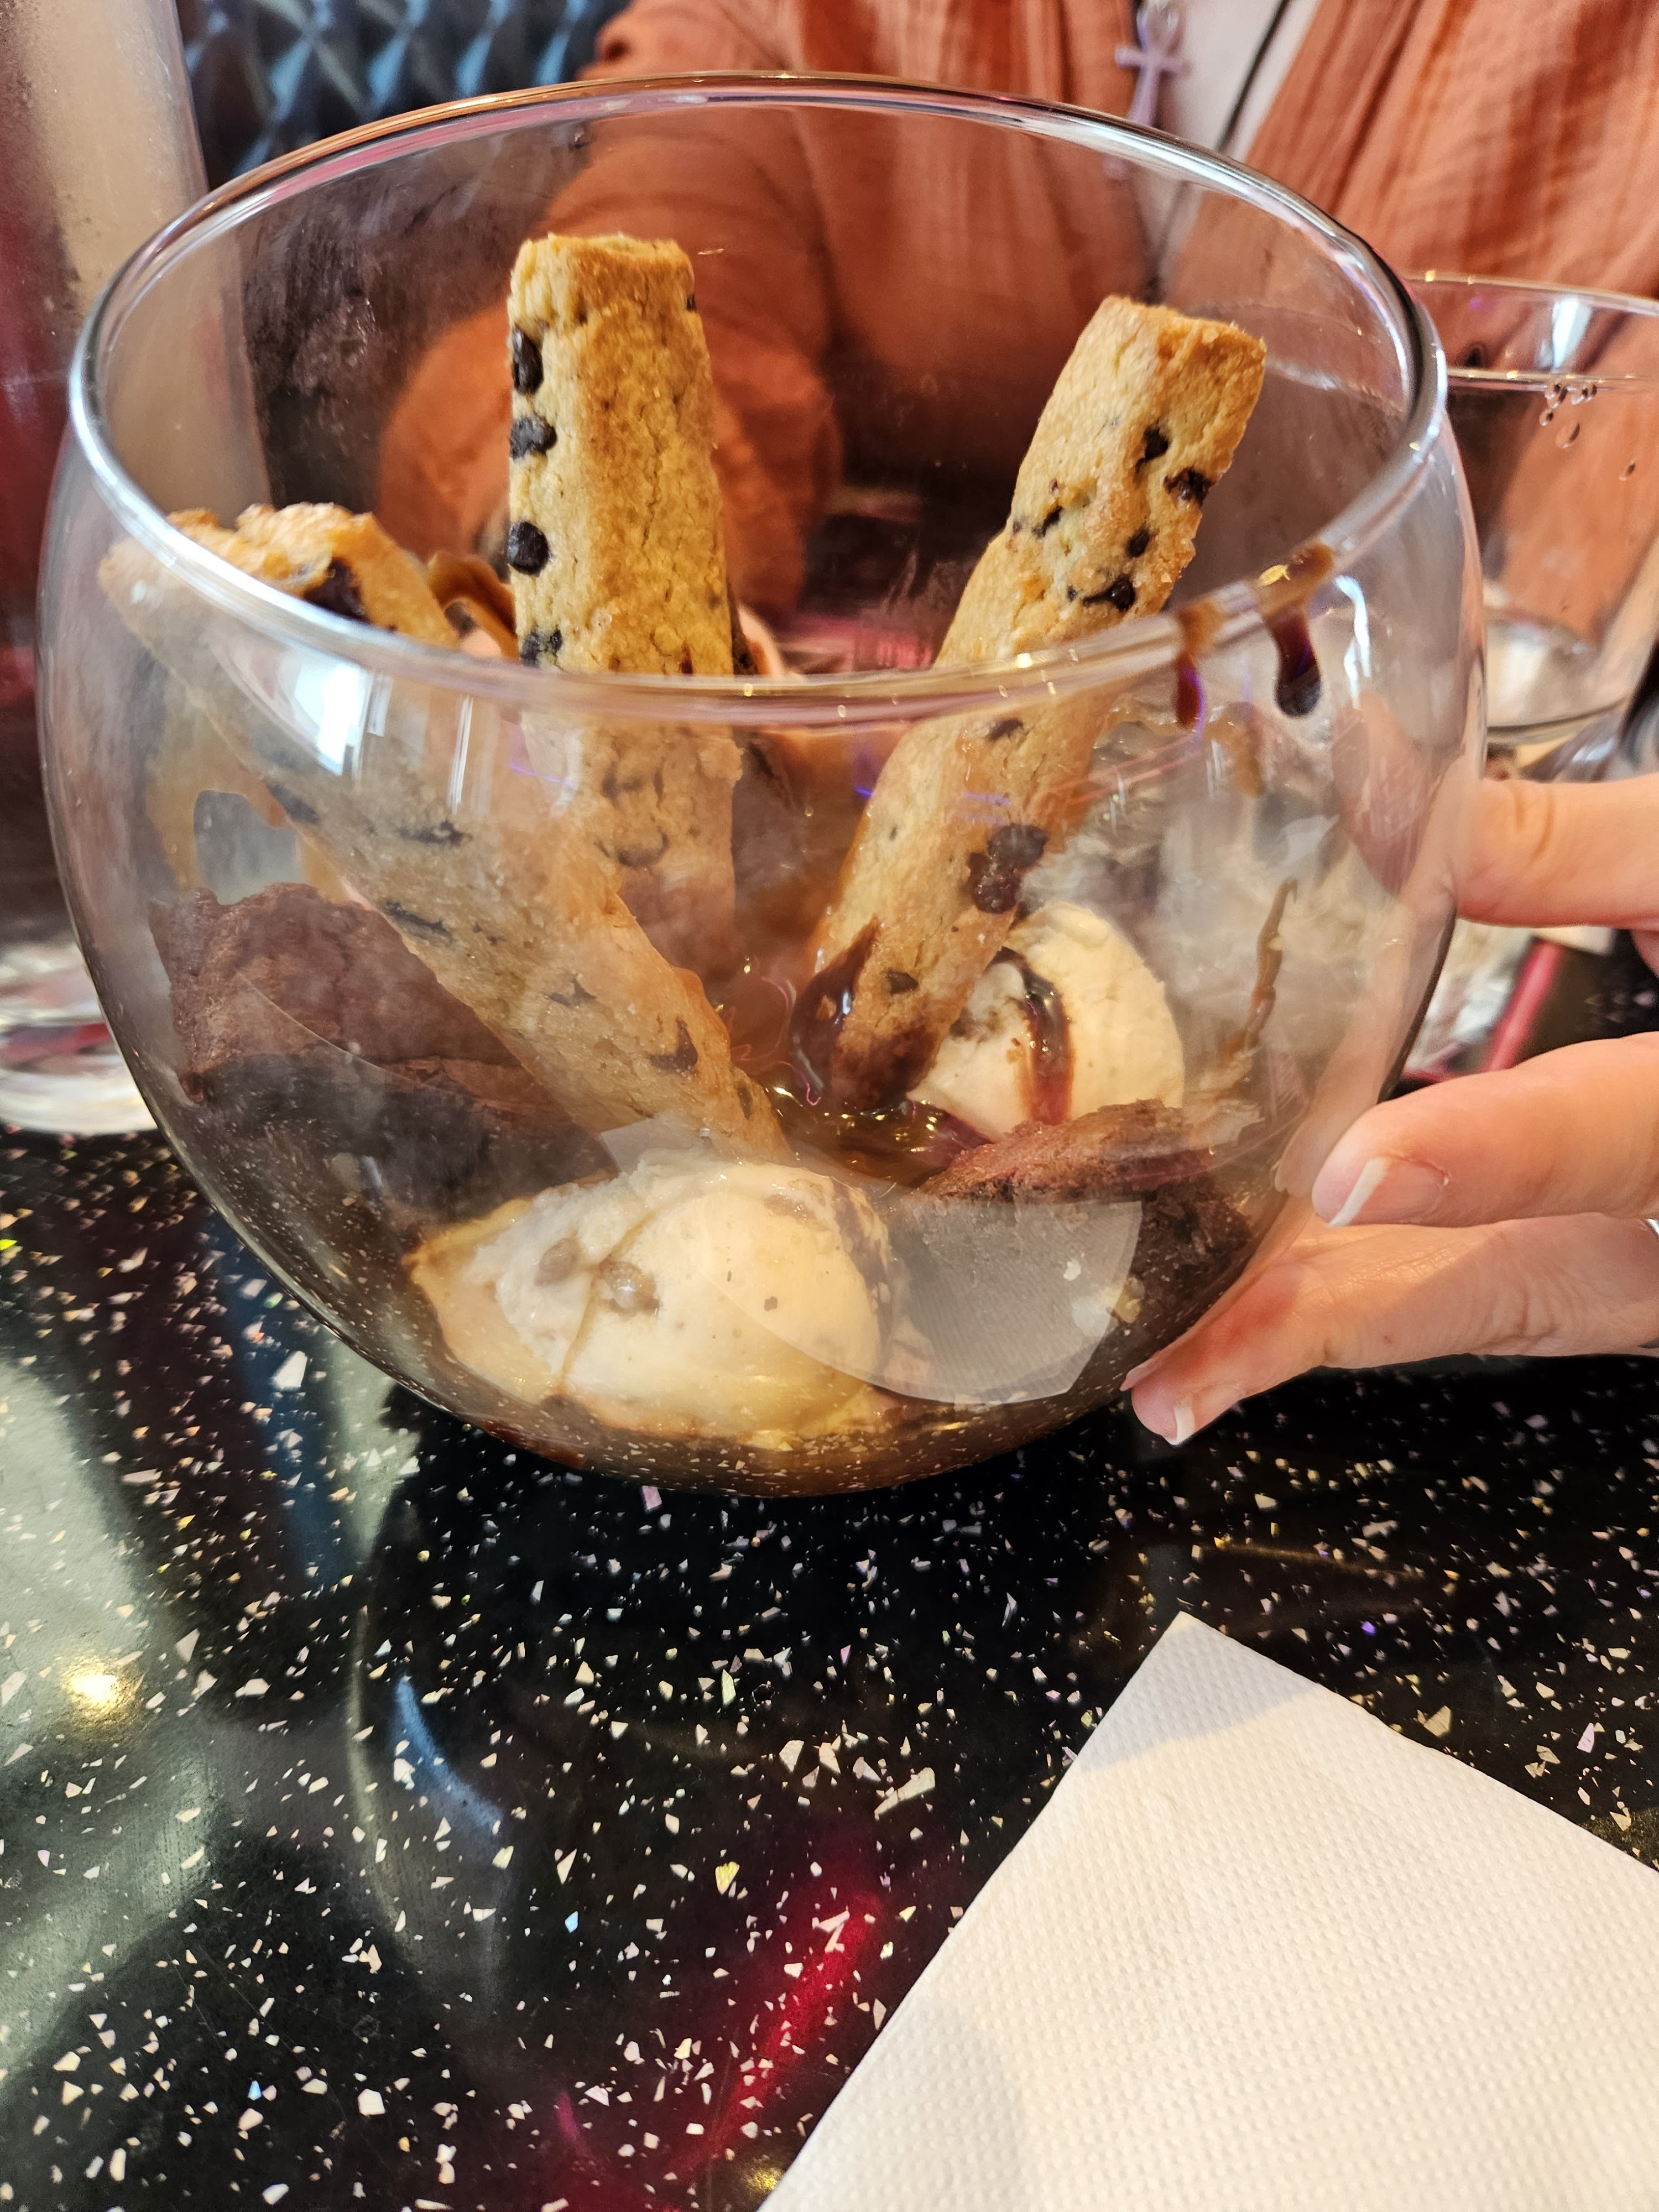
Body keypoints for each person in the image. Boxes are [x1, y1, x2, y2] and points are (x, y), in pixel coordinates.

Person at [380, 0, 1659, 1431]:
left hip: (1377, 932)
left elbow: (1611, 494)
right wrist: (572, 660)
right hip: (823, 800)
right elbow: (668, 204)